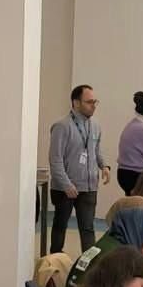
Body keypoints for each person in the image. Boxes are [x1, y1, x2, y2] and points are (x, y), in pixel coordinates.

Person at [49, 85, 110, 253]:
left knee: (88, 228)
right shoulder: (62, 126)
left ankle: (89, 264)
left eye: (95, 102)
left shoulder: (95, 126)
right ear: (76, 103)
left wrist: (104, 166)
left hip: (89, 187)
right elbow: (55, 160)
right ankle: (55, 261)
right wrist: (66, 184)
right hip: (65, 188)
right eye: (89, 102)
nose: (93, 105)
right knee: (60, 225)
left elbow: (96, 151)